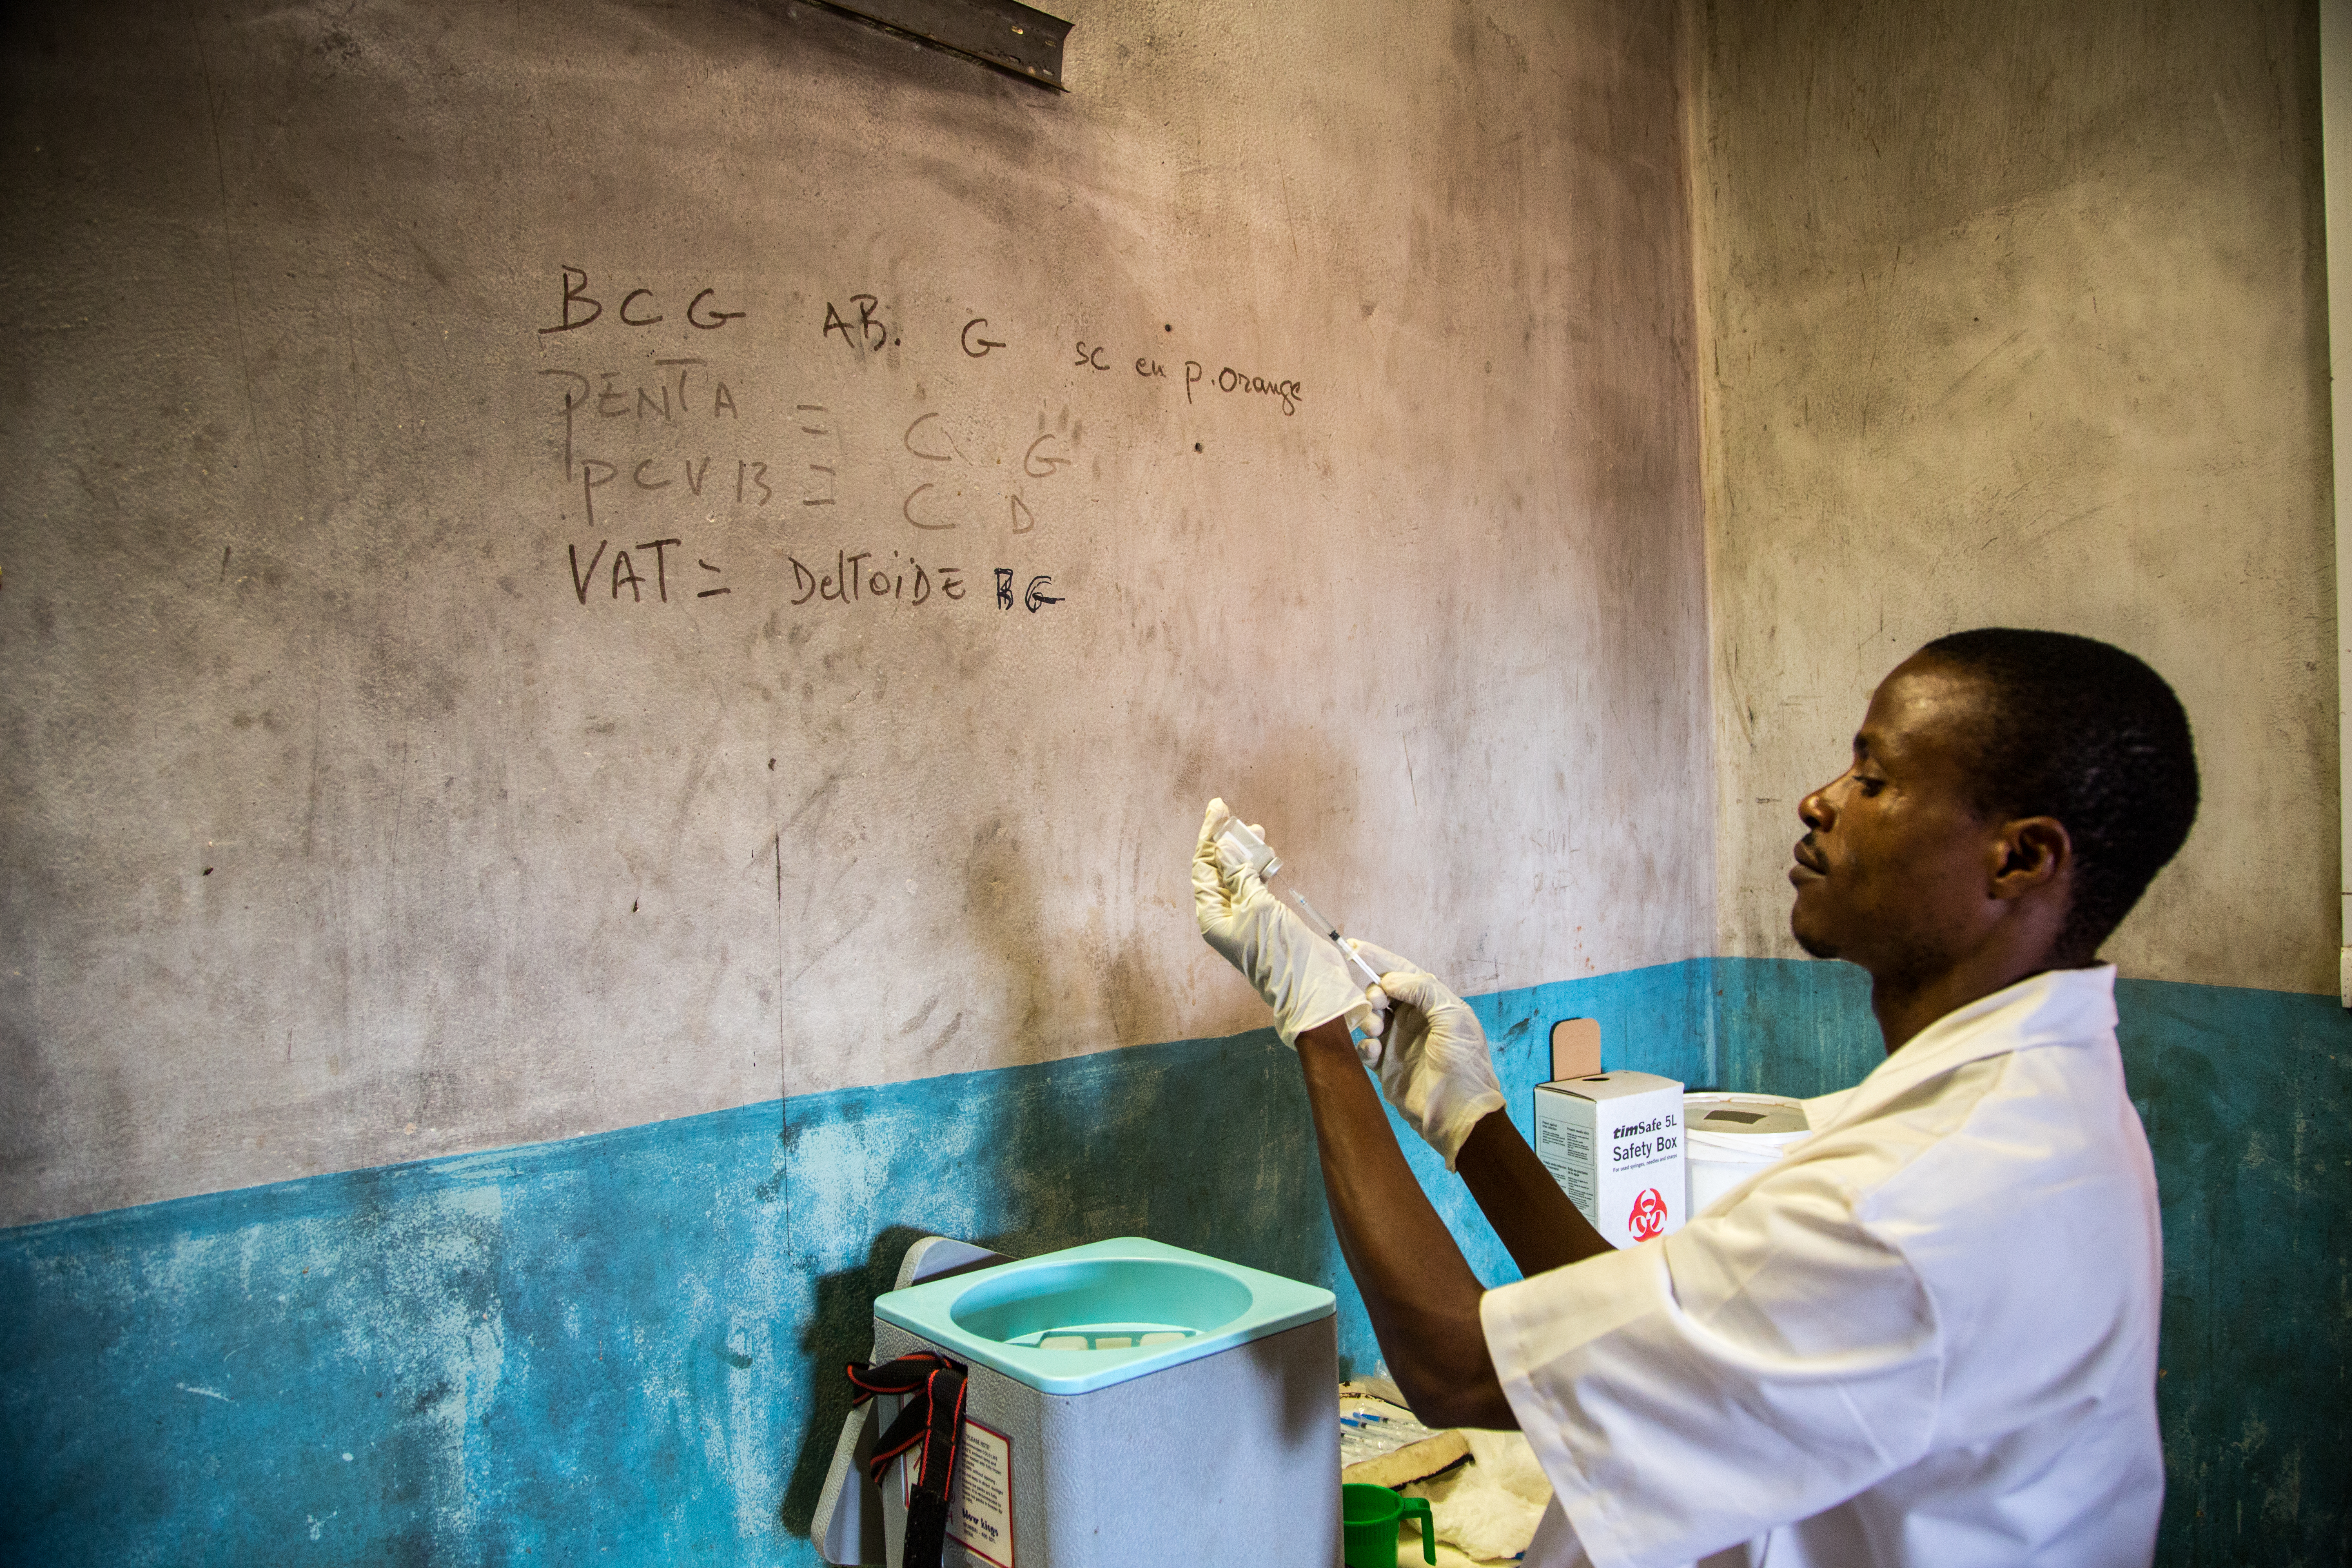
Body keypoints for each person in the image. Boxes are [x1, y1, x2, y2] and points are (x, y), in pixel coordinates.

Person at [1192, 628, 2198, 1568]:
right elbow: (1637, 1319)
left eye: (1876, 780)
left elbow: (1456, 1369)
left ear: (2019, 858)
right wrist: (1471, 1121)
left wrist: (1321, 1031)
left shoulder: (1917, 1201)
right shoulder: (2018, 1106)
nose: (1818, 799)